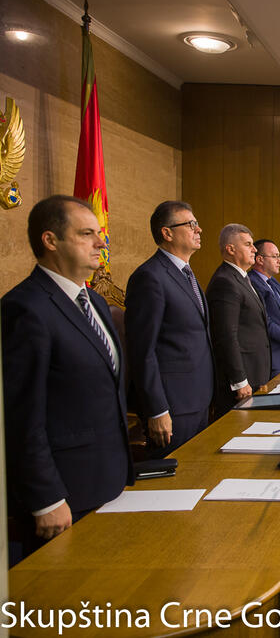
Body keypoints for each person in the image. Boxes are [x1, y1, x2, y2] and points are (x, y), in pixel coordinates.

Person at [2, 196, 133, 561]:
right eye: (87, 234)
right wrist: (46, 497)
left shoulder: (96, 303)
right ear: (50, 240)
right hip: (64, 492)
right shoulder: (26, 308)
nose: (101, 243)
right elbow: (20, 416)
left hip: (108, 477)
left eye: (100, 234)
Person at [125, 201, 215, 458]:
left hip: (198, 398)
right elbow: (143, 350)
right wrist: (156, 409)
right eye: (191, 224)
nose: (199, 230)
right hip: (172, 405)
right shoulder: (150, 276)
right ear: (167, 233)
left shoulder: (187, 273)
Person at [206, 223, 271, 415]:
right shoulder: (225, 282)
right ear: (231, 249)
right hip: (240, 382)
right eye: (248, 244)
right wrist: (240, 380)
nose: (254, 249)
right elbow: (226, 336)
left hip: (255, 374)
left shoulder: (241, 278)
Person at [249, 239, 280, 378]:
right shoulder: (252, 283)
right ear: (260, 259)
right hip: (269, 357)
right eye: (275, 256)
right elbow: (264, 320)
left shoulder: (273, 282)